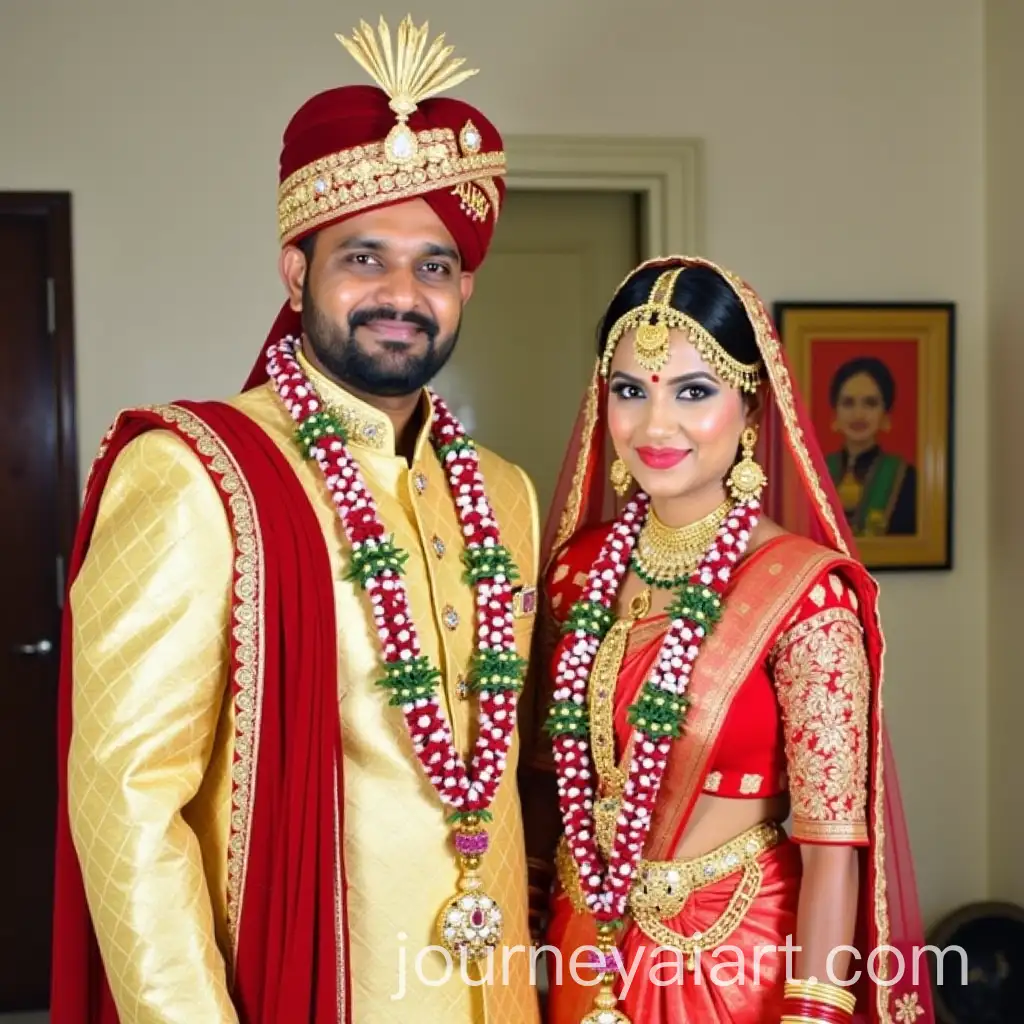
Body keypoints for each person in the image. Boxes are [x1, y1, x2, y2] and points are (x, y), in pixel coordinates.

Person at [51, 15, 542, 1024]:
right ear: (295, 270)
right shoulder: (196, 474)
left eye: (435, 265)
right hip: (306, 989)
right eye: (364, 258)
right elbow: (124, 804)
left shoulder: (506, 494)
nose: (402, 293)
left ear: (467, 288)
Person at [518, 257, 935, 1023]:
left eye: (693, 391)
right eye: (630, 391)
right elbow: (546, 788)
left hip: (735, 963)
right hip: (579, 953)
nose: (655, 425)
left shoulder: (805, 595)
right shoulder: (577, 571)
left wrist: (813, 1012)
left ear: (750, 410)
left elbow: (833, 851)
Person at [826, 356, 917, 536]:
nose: (858, 414)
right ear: (835, 412)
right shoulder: (815, 474)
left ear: (885, 413)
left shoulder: (906, 478)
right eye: (848, 403)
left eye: (870, 403)